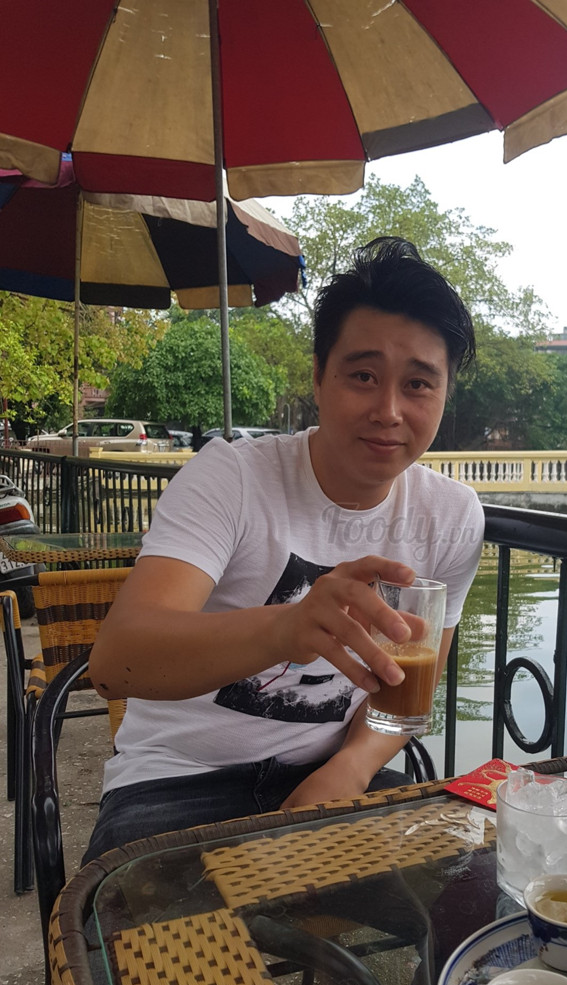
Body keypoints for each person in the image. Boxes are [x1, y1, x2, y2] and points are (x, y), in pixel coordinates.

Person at [85, 236, 485, 863]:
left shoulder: (453, 516)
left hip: (337, 773)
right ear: (319, 378)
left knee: (464, 899)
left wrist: (350, 767)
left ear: (443, 397)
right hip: (177, 781)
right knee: (160, 930)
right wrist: (285, 629)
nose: (389, 410)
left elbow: (407, 692)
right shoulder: (231, 477)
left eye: (417, 384)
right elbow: (116, 663)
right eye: (363, 376)